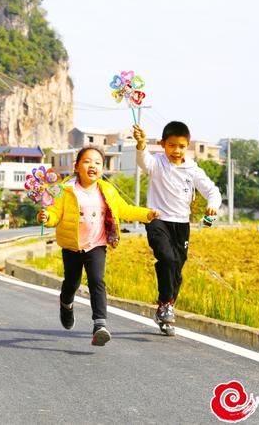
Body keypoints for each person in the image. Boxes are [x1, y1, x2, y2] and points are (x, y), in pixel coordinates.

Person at [37, 147, 160, 346]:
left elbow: (124, 210)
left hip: (97, 244)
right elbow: (53, 213)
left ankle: (99, 326)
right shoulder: (63, 189)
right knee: (72, 283)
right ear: (76, 166)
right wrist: (46, 217)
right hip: (72, 246)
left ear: (102, 168)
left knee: (97, 280)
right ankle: (66, 304)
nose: (92, 165)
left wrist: (147, 214)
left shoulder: (107, 190)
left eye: (97, 163)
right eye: (86, 161)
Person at [133, 121, 221, 336]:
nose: (176, 151)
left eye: (181, 146)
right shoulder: (157, 164)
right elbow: (144, 162)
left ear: (187, 146)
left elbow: (212, 191)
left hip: (181, 224)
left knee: (177, 271)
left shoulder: (192, 169)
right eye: (172, 146)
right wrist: (141, 144)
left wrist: (212, 206)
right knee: (167, 258)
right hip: (157, 219)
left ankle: (166, 306)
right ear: (163, 144)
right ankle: (165, 307)